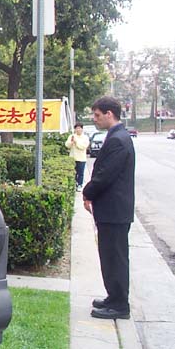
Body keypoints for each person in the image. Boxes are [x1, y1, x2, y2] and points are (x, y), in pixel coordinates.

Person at [82, 96, 135, 320]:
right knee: (110, 257)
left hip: (114, 211)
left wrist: (87, 192)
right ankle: (113, 297)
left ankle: (120, 305)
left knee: (115, 258)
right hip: (112, 210)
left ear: (109, 114)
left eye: (97, 115)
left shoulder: (118, 140)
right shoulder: (117, 137)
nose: (94, 119)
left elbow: (105, 175)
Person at [65, 123, 90, 191]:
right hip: (73, 158)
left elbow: (83, 147)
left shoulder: (85, 137)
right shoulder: (72, 136)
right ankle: (74, 184)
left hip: (81, 158)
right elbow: (67, 145)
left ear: (82, 129)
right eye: (76, 128)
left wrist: (76, 142)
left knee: (80, 173)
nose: (78, 130)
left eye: (79, 128)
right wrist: (71, 142)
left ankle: (80, 184)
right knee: (73, 172)